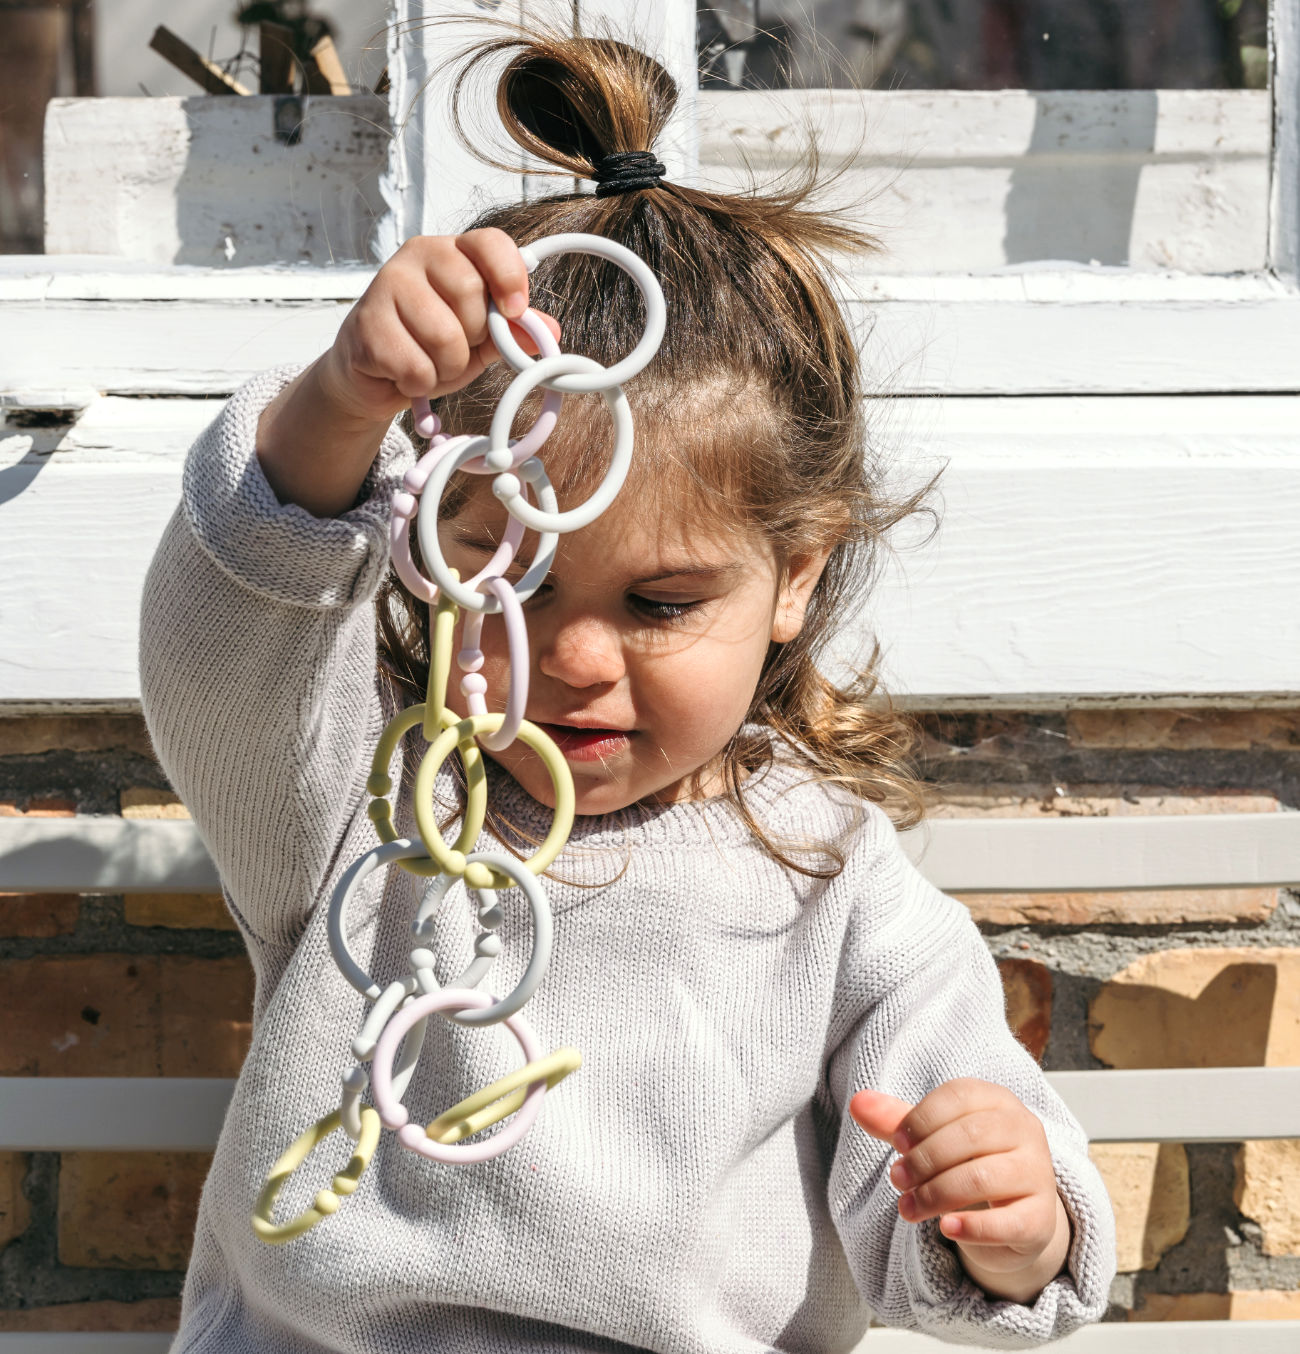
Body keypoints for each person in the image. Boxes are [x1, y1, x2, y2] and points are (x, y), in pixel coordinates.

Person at [139, 22, 1116, 1354]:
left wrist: (1006, 1217)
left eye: (660, 604)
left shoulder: (835, 884)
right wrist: (338, 407)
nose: (578, 658)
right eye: (514, 578)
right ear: (431, 548)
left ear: (795, 577)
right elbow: (223, 644)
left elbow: (953, 1197)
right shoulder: (359, 803)